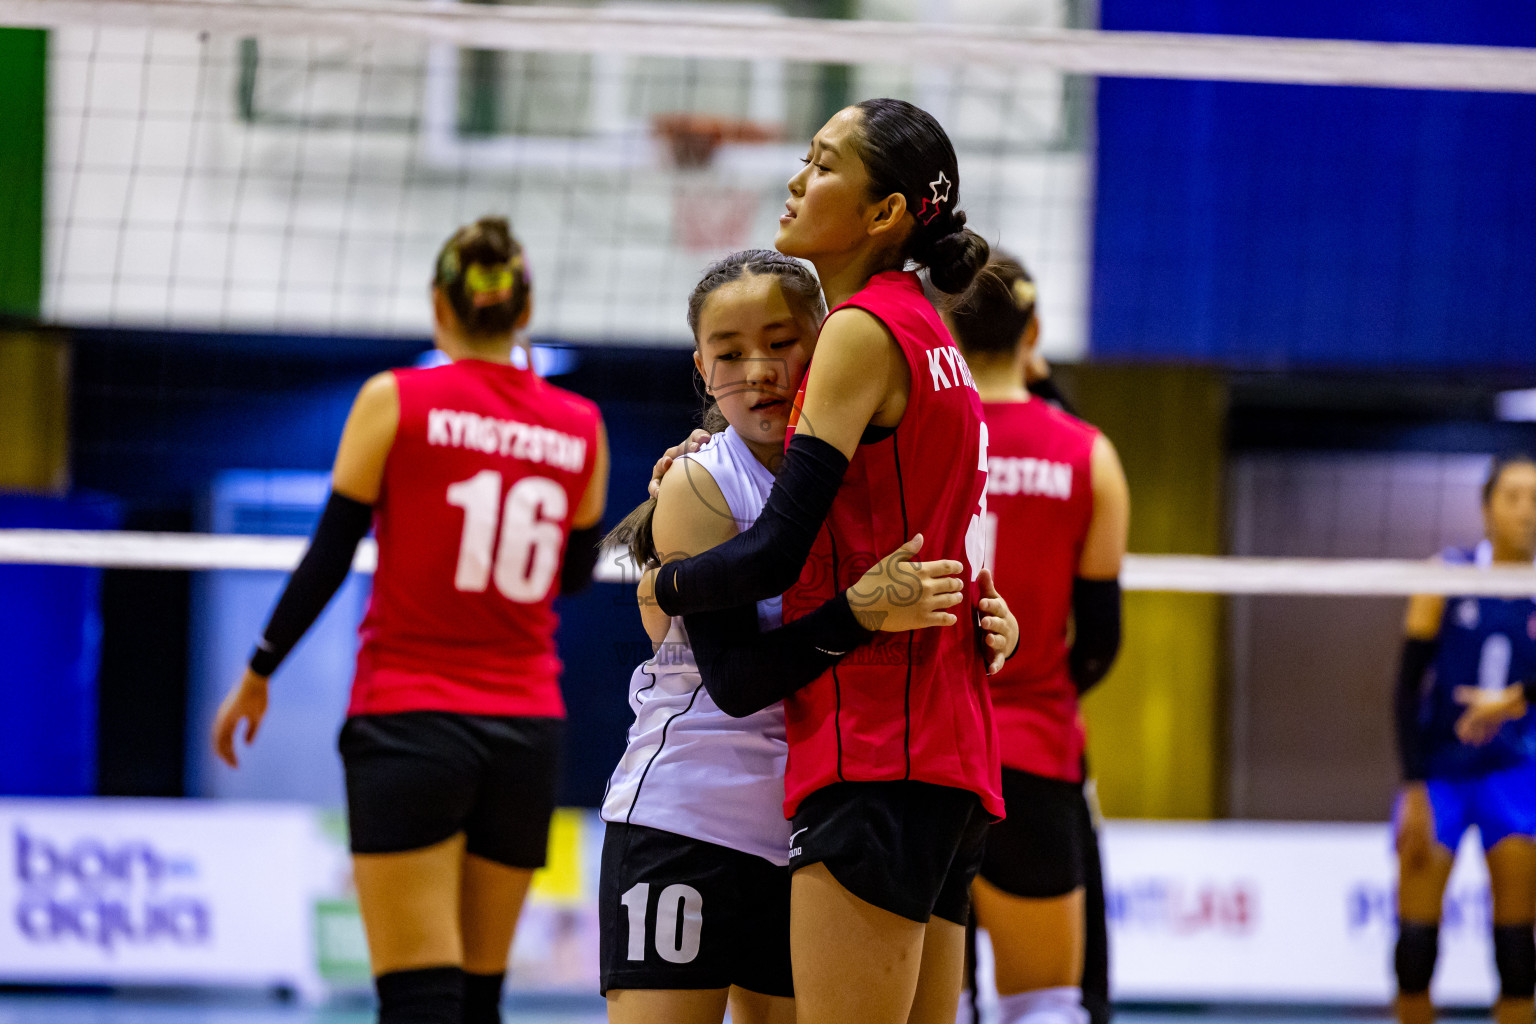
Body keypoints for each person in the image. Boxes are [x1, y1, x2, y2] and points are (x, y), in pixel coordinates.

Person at [649, 98, 1009, 1024]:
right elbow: (954, 532)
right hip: (955, 751)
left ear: (885, 213)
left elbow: (773, 554)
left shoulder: (858, 328)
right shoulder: (939, 341)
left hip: (877, 750)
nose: (796, 180)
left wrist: (657, 574)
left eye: (821, 163)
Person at [211, 217, 610, 1024]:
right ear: (523, 308)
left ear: (439, 304)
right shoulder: (581, 425)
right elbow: (569, 577)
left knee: (417, 997)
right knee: (478, 1000)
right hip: (526, 727)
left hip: (409, 719)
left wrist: (258, 672)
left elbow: (328, 556)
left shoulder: (397, 399)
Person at [939, 255, 1129, 1024]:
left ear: (945, 332)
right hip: (1034, 753)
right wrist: (1036, 687)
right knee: (1046, 1007)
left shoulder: (911, 438)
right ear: (1035, 334)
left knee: (922, 1007)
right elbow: (1101, 642)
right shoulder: (1089, 454)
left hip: (924, 748)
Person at [1392, 453, 1536, 1024]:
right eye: (1515, 497)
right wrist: (1413, 786)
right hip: (1440, 774)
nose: (1527, 511)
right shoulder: (1445, 576)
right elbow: (1405, 688)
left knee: (1518, 951)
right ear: (1486, 508)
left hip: (1516, 774)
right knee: (1414, 948)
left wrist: (1517, 700)